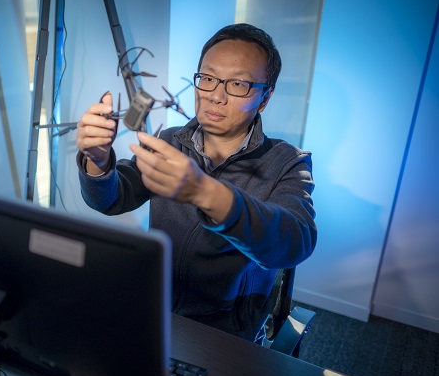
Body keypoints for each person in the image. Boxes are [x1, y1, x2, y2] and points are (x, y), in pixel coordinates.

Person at [75, 23, 317, 342]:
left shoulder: (287, 161)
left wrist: (207, 193)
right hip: (154, 310)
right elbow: (111, 199)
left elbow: (295, 241)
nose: (216, 96)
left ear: (264, 98)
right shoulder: (170, 140)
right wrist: (97, 159)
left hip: (226, 335)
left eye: (239, 84)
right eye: (208, 78)